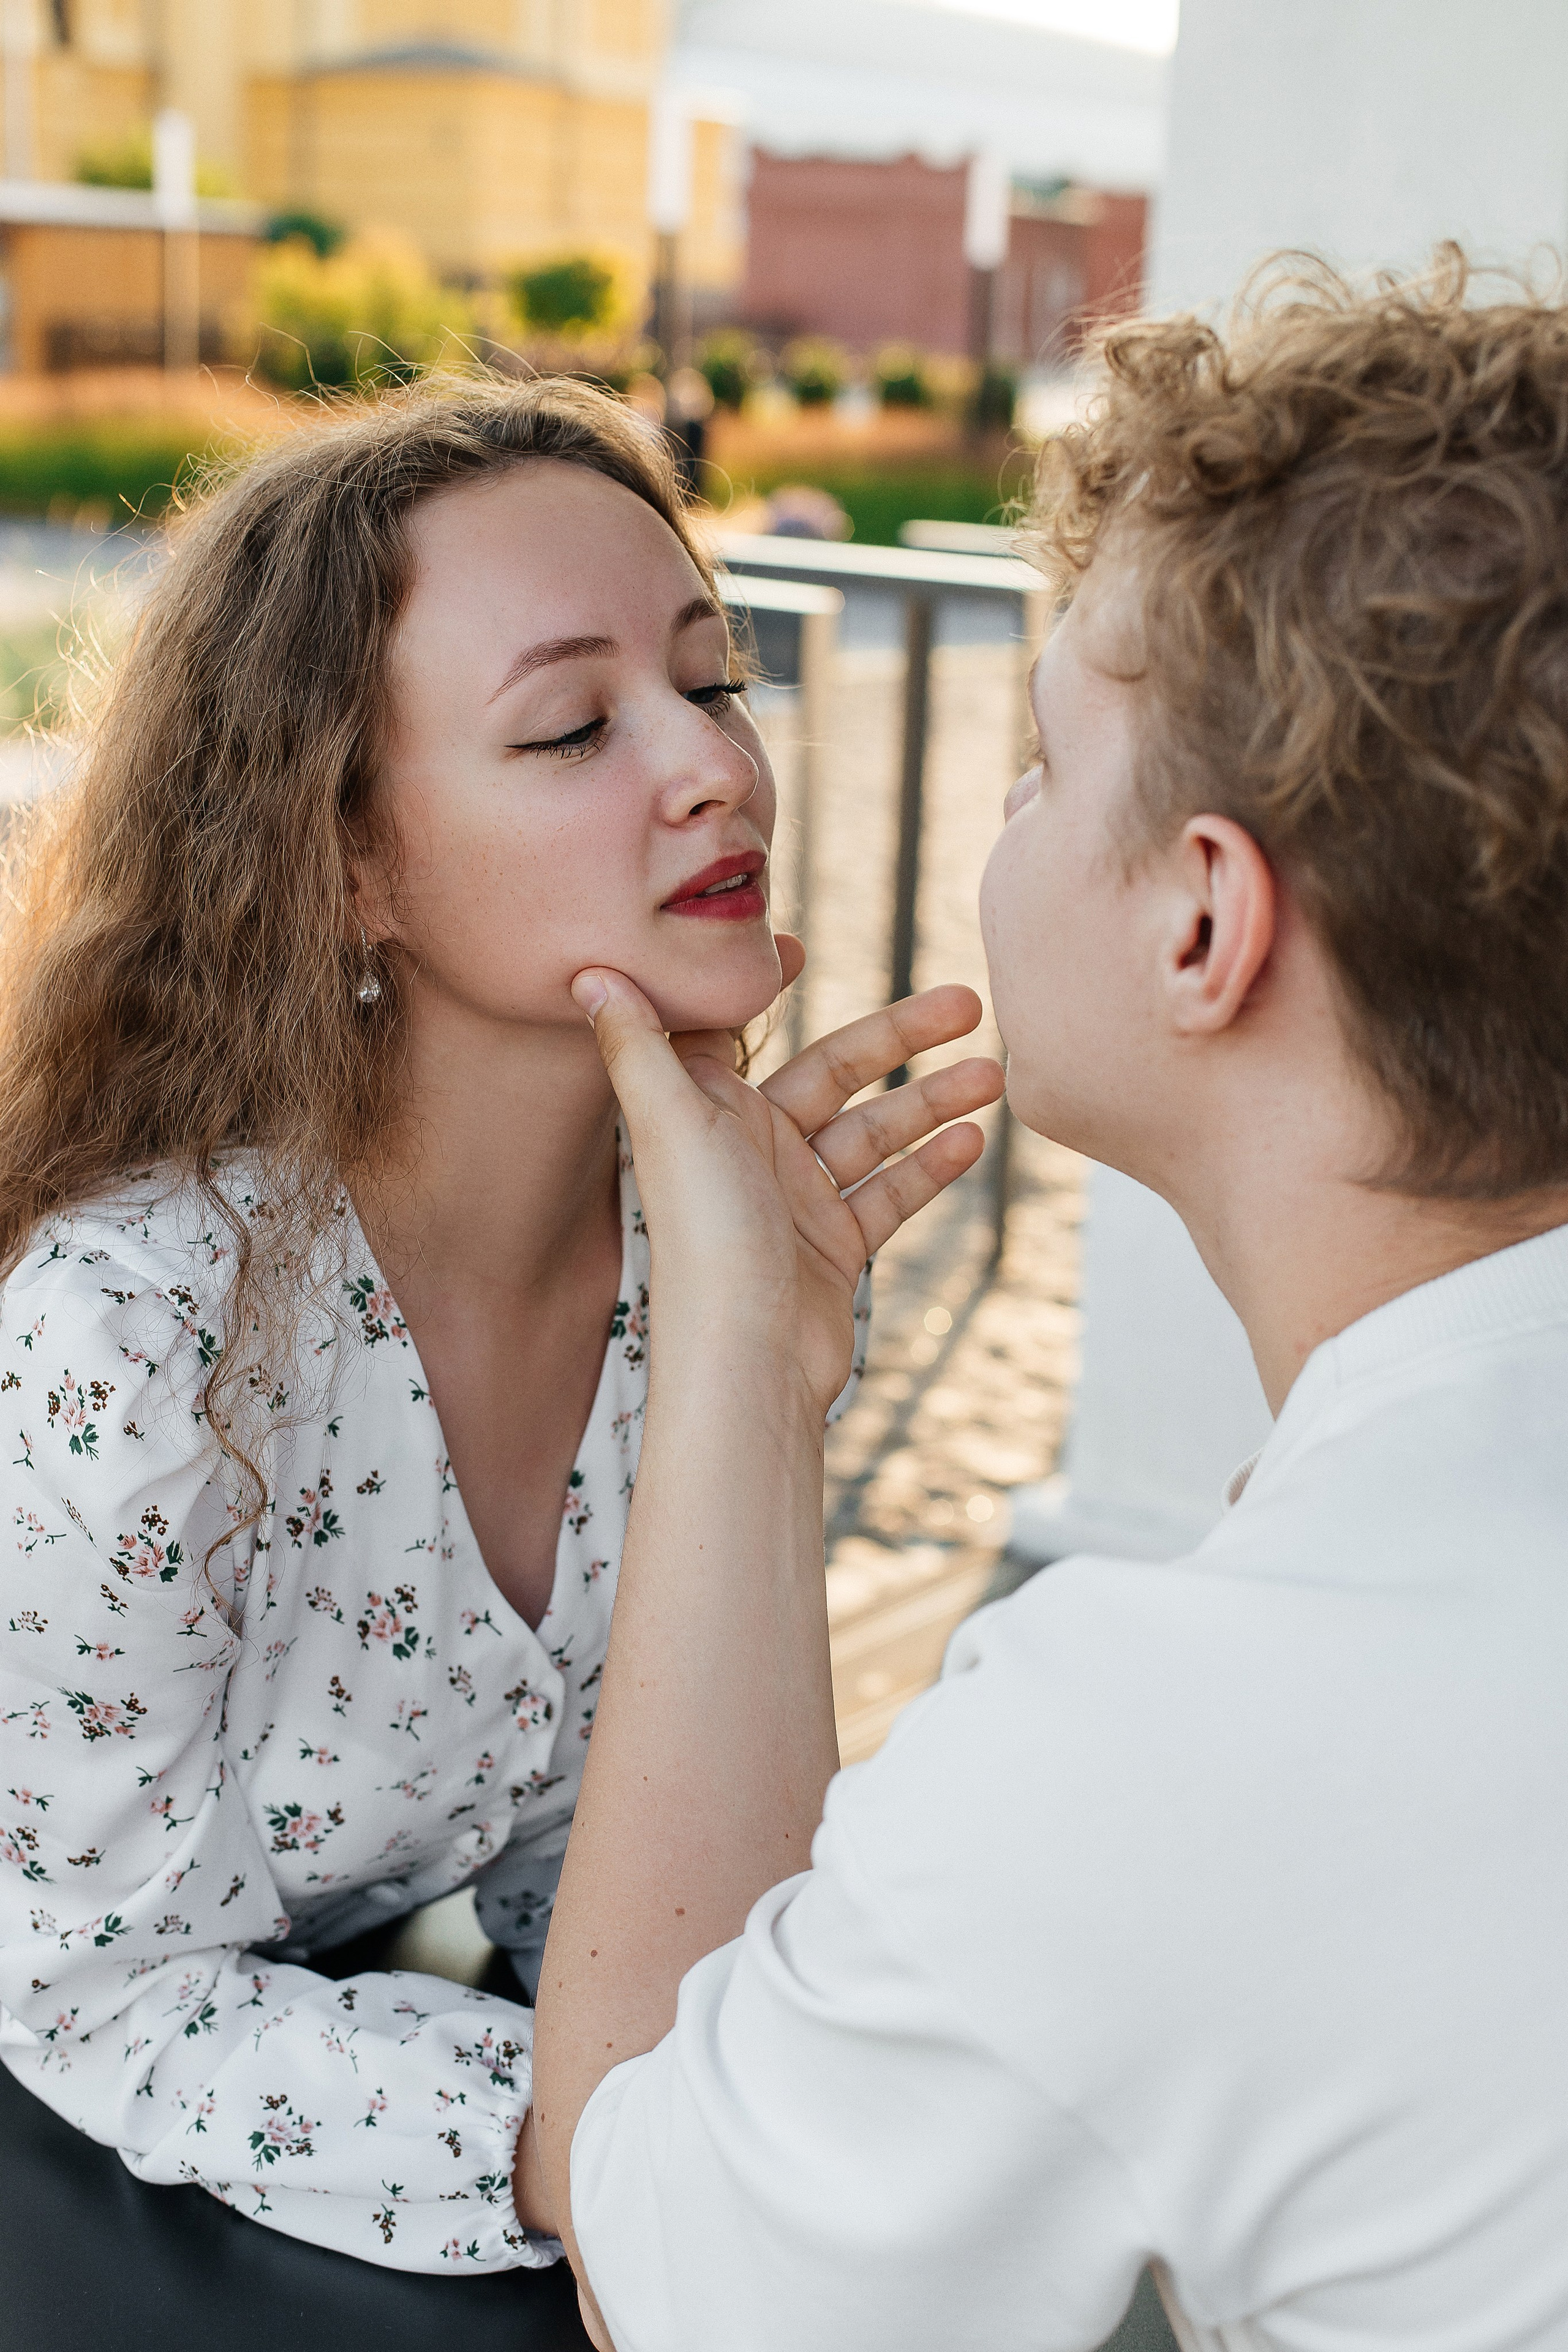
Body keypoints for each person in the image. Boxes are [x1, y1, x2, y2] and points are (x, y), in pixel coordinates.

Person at [519, 254, 1568, 2350]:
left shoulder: (1176, 1745)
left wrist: (740, 1354)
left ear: (1205, 917)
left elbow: (655, 2219)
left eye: (1042, 753)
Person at [0, 375, 1001, 2272]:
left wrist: (754, 1375)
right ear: (350, 862)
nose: (714, 768)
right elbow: (88, 1997)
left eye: (713, 681)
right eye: (570, 727)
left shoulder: (693, 1256)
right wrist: (588, 2157)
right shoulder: (127, 1337)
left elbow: (653, 1916)